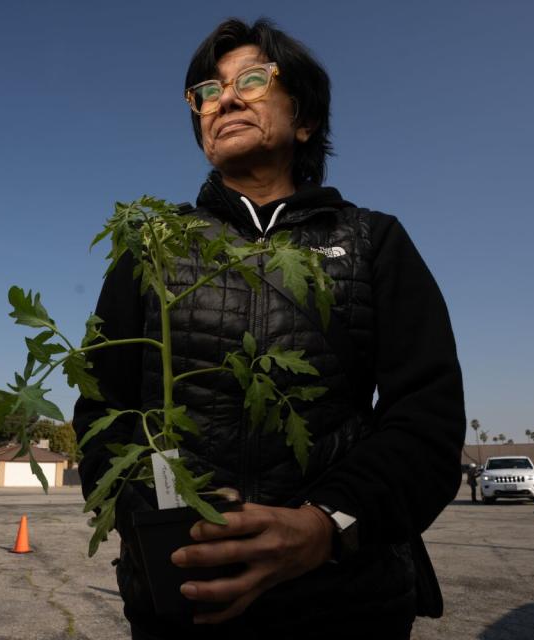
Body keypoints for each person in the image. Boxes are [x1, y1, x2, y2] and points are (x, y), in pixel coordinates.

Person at [73, 18, 465, 640]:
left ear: (304, 120)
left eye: (251, 80)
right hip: (183, 599)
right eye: (207, 91)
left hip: (347, 603)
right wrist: (157, 522)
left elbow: (427, 422)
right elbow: (103, 411)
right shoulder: (152, 247)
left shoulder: (372, 242)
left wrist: (325, 525)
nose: (223, 99)